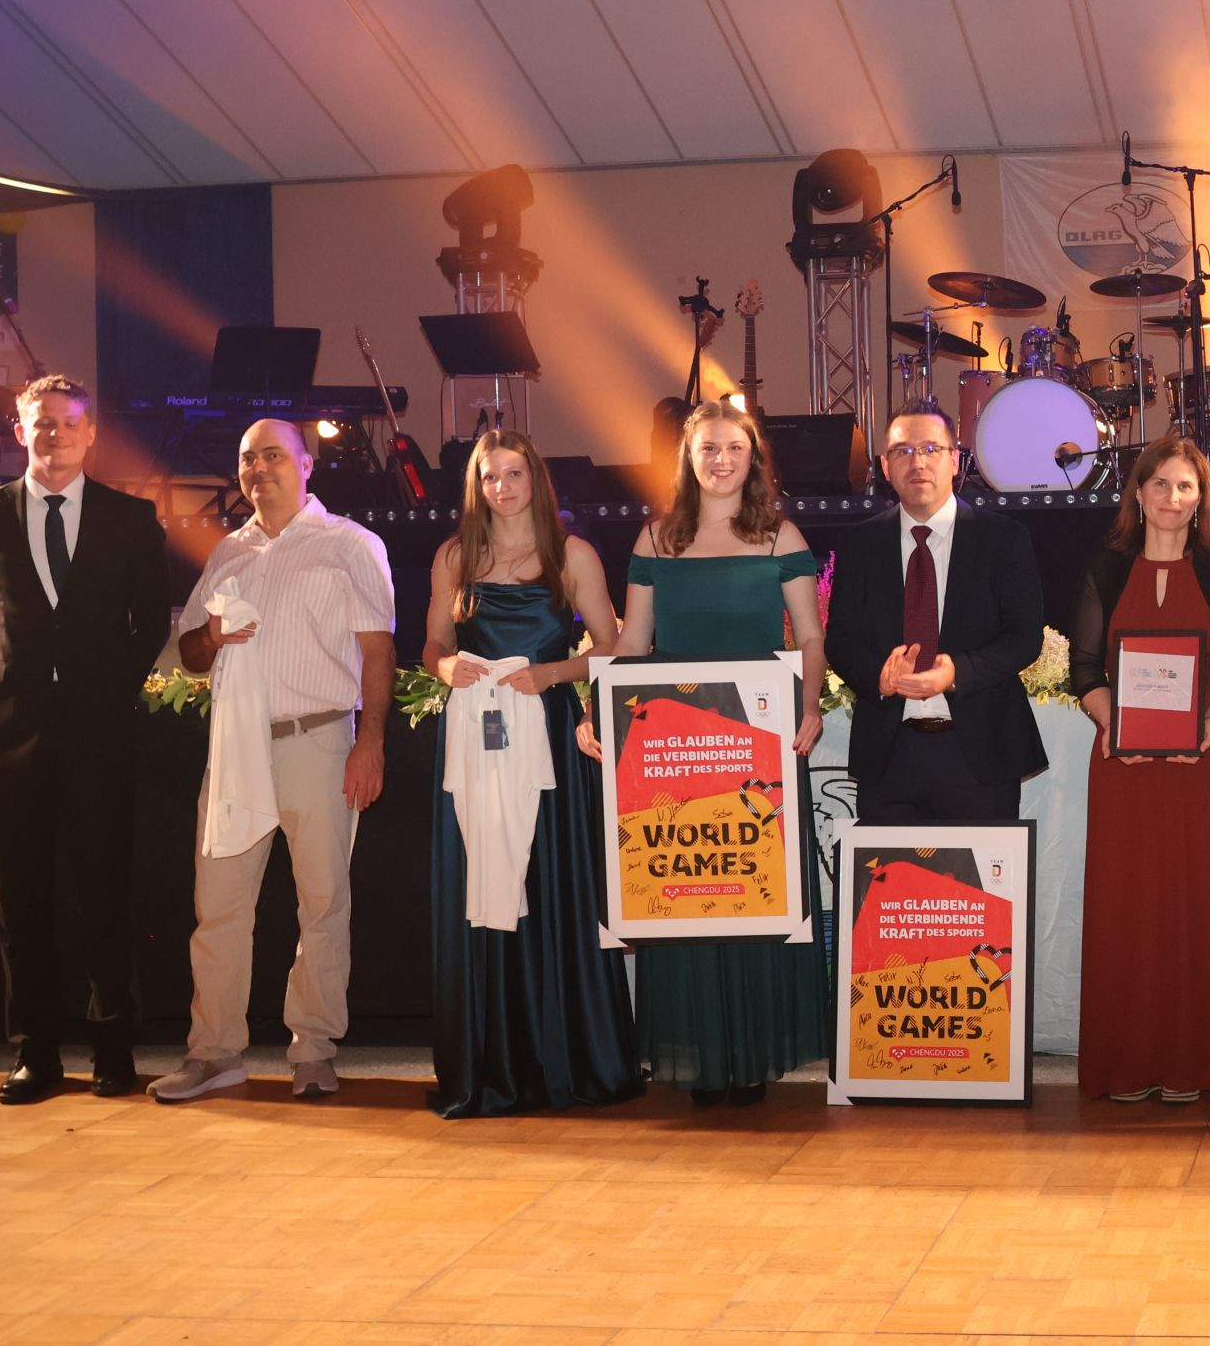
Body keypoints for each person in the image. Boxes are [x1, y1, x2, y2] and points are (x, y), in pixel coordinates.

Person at [153, 419, 395, 1103]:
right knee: (219, 908)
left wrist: (370, 742)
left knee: (323, 904)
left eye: (272, 455)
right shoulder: (228, 551)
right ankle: (214, 1054)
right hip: (235, 750)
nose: (258, 468)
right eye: (246, 459)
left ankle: (313, 1051)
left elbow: (378, 652)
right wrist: (210, 636)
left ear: (305, 464)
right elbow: (188, 655)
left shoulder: (352, 544)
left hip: (319, 743)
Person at [602, 402, 830, 1106]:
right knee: (687, 890)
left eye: (734, 447)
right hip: (675, 749)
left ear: (753, 457)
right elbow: (632, 643)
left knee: (750, 887)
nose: (722, 460)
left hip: (756, 740)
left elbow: (810, 637)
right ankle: (700, 1054)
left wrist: (811, 704)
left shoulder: (779, 535)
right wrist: (596, 711)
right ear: (688, 457)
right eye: (708, 448)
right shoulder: (654, 538)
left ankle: (752, 1054)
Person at [420, 430, 641, 1117]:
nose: (502, 487)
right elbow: (433, 641)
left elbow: (613, 647)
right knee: (480, 882)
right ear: (476, 486)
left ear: (535, 479)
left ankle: (566, 1060)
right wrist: (443, 666)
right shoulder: (455, 556)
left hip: (548, 734)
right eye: (490, 477)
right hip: (475, 738)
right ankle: (491, 1064)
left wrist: (550, 673)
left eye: (513, 474)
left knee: (549, 883)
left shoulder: (572, 554)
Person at [0, 376, 170, 1103]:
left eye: (68, 422)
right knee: (18, 903)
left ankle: (113, 1048)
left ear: (91, 434)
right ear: (21, 432)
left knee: (103, 895)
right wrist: (15, 679)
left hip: (98, 735)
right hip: (8, 735)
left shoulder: (130, 518)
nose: (54, 433)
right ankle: (35, 1053)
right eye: (41, 422)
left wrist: (105, 692)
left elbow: (151, 622)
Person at [1068, 436, 1210, 1103]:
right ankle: (1130, 1063)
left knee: (1205, 903)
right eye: (1161, 484)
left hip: (1205, 763)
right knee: (1130, 906)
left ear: (1201, 499)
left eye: (1187, 487)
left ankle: (1199, 1064)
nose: (1172, 498)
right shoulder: (1104, 570)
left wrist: (1208, 721)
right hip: (1124, 765)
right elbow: (1085, 669)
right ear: (1138, 491)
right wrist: (1113, 724)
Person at [823, 401, 1045, 826]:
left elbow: (1023, 637)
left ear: (954, 460)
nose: (917, 462)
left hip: (979, 753)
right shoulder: (861, 544)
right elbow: (841, 640)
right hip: (888, 756)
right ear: (885, 467)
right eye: (903, 451)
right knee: (890, 870)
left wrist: (956, 672)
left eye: (930, 449)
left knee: (983, 872)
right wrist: (879, 677)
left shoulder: (1003, 538)